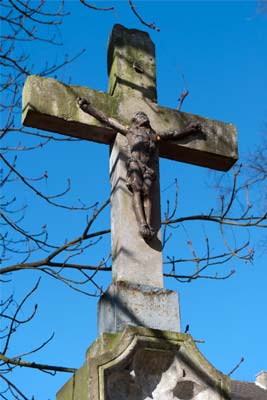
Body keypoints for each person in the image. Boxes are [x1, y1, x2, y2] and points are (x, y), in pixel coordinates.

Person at [77, 98, 203, 240]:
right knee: (137, 190)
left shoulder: (154, 136)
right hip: (135, 164)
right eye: (139, 115)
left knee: (147, 192)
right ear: (134, 121)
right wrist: (89, 108)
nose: (143, 116)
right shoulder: (129, 131)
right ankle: (142, 223)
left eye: (145, 115)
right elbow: (108, 120)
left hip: (148, 169)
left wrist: (190, 130)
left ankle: (149, 224)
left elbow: (173, 134)